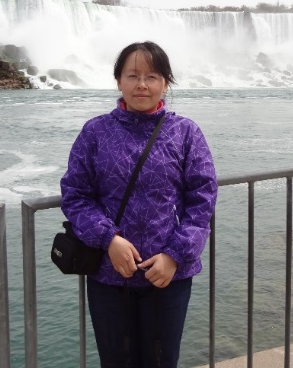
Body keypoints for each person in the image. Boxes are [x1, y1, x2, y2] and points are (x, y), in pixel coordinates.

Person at [60, 41, 217, 368]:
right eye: (132, 76)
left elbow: (202, 200)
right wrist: (109, 240)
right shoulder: (95, 132)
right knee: (116, 361)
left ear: (165, 83)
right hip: (109, 275)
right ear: (119, 81)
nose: (142, 84)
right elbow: (75, 194)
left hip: (168, 277)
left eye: (152, 76)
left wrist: (175, 255)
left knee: (162, 361)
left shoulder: (185, 133)